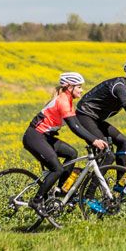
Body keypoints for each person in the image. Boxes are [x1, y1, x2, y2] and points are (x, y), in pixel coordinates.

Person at [68, 59, 126, 190]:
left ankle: (120, 185)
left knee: (123, 141)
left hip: (95, 119)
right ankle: (89, 193)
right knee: (108, 155)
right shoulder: (119, 87)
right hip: (84, 117)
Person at [23, 71, 108, 214]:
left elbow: (78, 125)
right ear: (70, 87)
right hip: (35, 137)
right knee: (57, 168)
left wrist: (95, 138)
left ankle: (62, 190)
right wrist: (94, 141)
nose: (81, 90)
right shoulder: (62, 101)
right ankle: (36, 201)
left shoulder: (68, 100)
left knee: (72, 153)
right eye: (79, 87)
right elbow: (74, 127)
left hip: (46, 137)